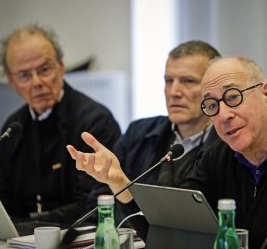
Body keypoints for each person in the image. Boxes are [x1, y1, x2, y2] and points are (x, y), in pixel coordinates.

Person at [67, 56, 267, 248]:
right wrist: (120, 183)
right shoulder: (218, 157)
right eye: (212, 105)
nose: (224, 114)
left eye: (233, 97)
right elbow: (170, 235)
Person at [85, 40, 221, 235]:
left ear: (213, 90)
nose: (174, 92)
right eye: (168, 81)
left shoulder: (229, 146)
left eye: (188, 81)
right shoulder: (138, 134)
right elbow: (96, 210)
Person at [0, 24, 121, 225]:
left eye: (44, 70)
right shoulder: (13, 127)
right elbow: (1, 200)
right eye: (24, 75)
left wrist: (27, 227)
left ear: (60, 67)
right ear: (12, 81)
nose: (37, 82)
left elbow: (92, 206)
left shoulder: (95, 122)